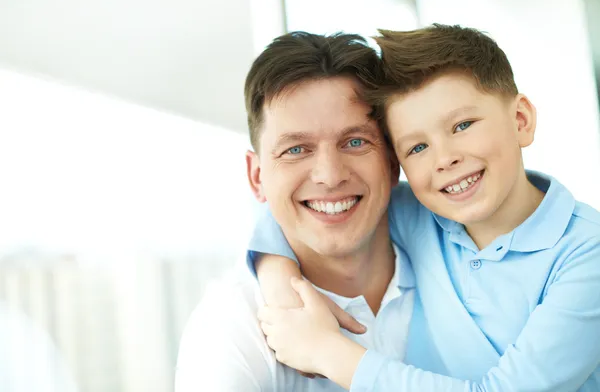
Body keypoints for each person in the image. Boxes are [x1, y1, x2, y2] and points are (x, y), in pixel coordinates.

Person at [251, 24, 600, 391]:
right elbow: (302, 208)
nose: (445, 159)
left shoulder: (586, 255)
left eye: (462, 125)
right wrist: (281, 287)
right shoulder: (421, 214)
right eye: (417, 147)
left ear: (520, 120)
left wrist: (327, 351)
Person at [174, 31, 416, 392]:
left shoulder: (461, 259)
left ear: (392, 161)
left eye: (355, 142)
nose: (331, 176)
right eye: (296, 150)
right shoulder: (230, 328)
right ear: (257, 177)